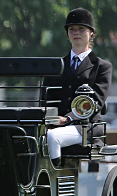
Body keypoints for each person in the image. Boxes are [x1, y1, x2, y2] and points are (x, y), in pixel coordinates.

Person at [42, 8, 111, 167]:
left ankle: (55, 176)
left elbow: (97, 102)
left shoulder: (102, 67)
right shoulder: (56, 66)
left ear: (91, 33)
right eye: (72, 29)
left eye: (81, 28)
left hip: (86, 126)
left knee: (53, 137)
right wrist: (49, 118)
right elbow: (46, 98)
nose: (76, 32)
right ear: (67, 34)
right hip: (55, 123)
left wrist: (68, 118)